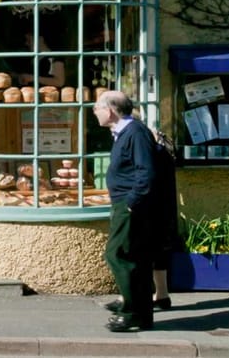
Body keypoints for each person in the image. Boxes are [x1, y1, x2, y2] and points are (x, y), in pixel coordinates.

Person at [93, 90, 157, 333]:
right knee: (132, 257)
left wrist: (131, 202)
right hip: (125, 203)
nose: (94, 112)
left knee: (117, 254)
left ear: (110, 110)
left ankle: (132, 311)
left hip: (130, 205)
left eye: (97, 108)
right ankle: (139, 312)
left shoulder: (135, 132)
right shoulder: (124, 133)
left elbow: (146, 172)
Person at [150, 127, 180, 310]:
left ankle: (138, 296)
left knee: (143, 254)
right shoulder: (164, 153)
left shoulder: (154, 154)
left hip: (153, 208)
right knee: (159, 253)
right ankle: (162, 294)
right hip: (164, 208)